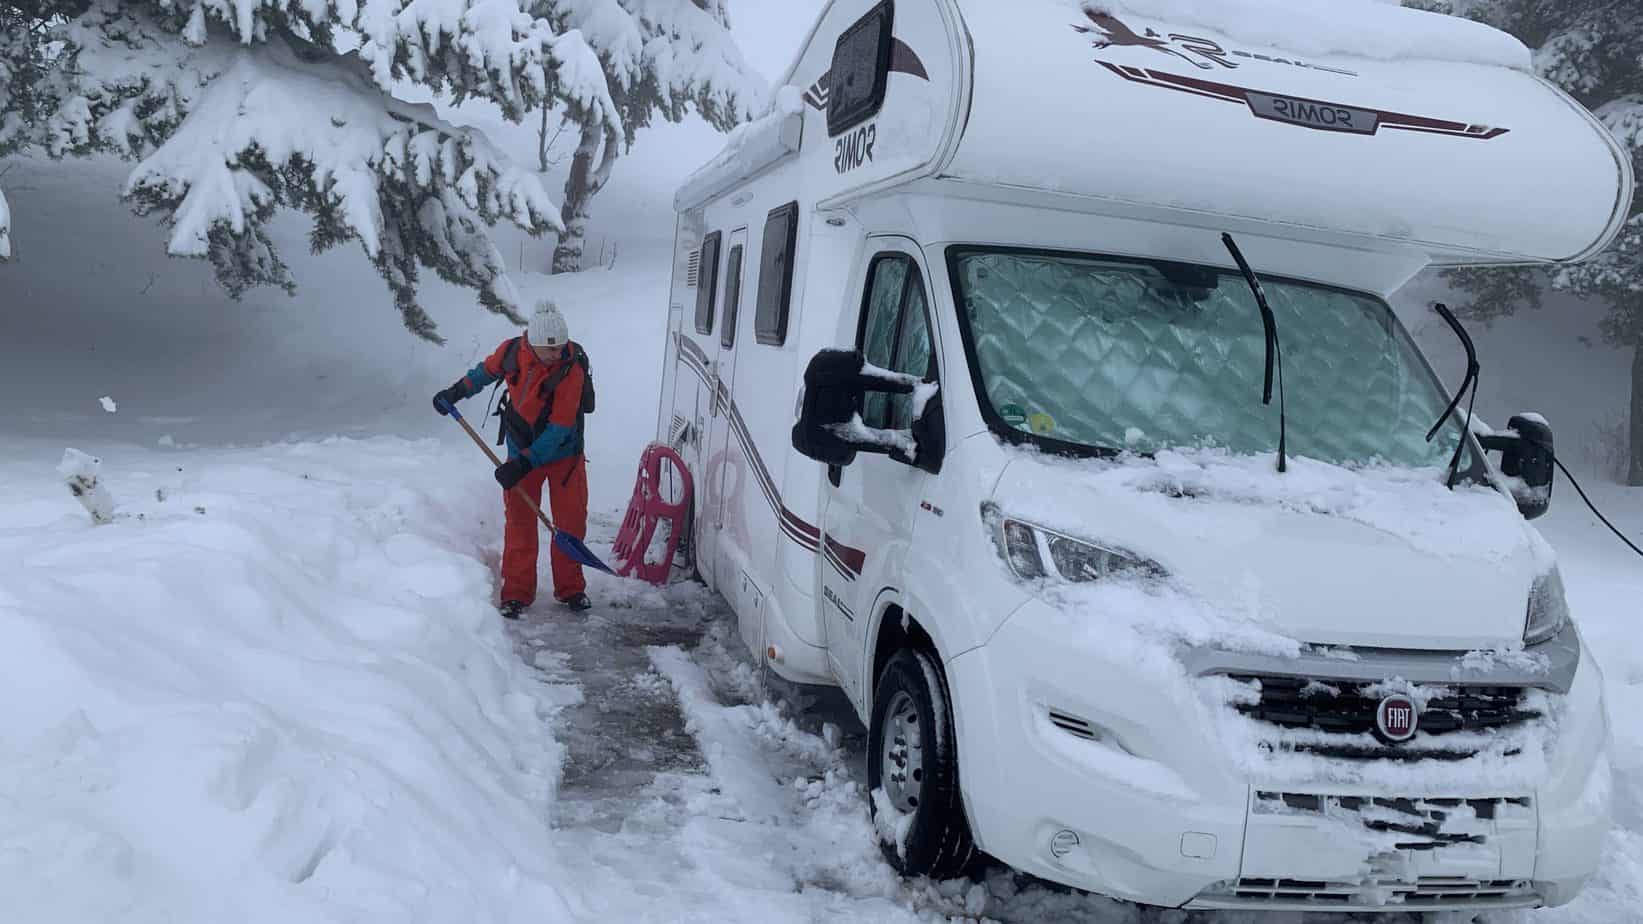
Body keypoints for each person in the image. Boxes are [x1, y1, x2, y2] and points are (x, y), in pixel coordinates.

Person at [434, 301, 593, 618]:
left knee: (570, 522)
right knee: (520, 523)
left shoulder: (571, 368)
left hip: (564, 456)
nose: (555, 354)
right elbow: (483, 373)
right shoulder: (511, 352)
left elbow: (561, 427)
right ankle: (517, 593)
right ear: (531, 344)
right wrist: (455, 392)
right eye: (549, 350)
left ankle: (571, 588)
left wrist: (524, 463)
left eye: (560, 347)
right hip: (520, 448)